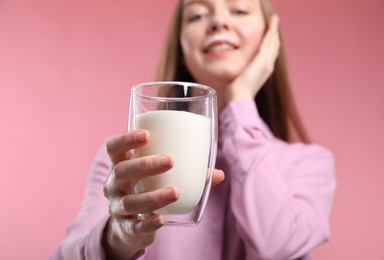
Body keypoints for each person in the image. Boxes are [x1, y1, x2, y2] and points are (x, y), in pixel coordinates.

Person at [50, 0, 336, 259]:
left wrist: (240, 99)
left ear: (269, 40)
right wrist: (118, 237)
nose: (218, 22)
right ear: (181, 45)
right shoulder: (132, 158)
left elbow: (277, 246)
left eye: (239, 10)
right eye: (197, 15)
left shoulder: (309, 163)